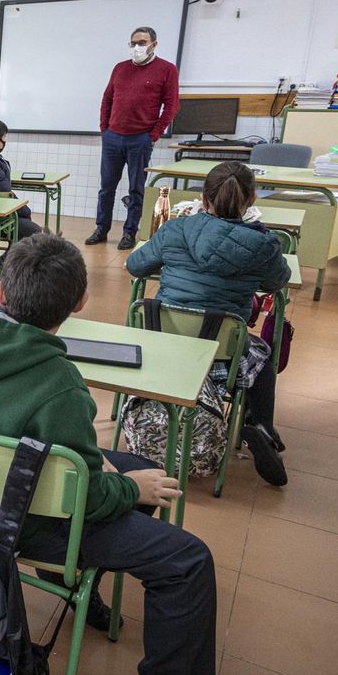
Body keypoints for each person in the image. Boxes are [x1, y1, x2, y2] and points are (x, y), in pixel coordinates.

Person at [0, 235, 222, 675]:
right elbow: (87, 496)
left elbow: (65, 463)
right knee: (188, 561)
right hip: (17, 522)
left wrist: (116, 473)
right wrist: (129, 490)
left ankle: (71, 579)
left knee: (134, 464)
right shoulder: (61, 384)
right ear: (80, 303)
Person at [125, 161, 290, 486]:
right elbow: (277, 282)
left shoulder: (173, 230)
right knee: (262, 356)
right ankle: (260, 426)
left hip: (163, 348)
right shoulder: (263, 245)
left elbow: (135, 266)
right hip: (222, 360)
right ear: (252, 200)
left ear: (203, 198)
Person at [88, 26, 180, 251]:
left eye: (142, 42)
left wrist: (153, 135)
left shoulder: (167, 69)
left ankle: (129, 232)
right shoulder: (120, 68)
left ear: (154, 44)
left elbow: (171, 106)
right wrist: (105, 130)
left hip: (140, 139)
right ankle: (101, 228)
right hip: (113, 137)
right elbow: (107, 99)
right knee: (106, 187)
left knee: (136, 189)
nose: (137, 47)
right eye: (134, 43)